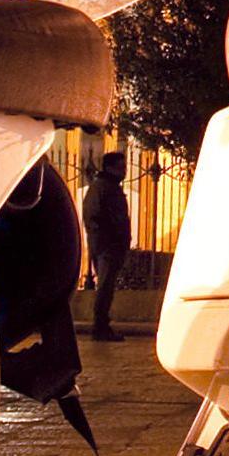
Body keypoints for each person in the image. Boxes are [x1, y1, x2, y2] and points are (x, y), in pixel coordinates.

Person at [79, 141, 136, 341]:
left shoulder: (105, 187)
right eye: (121, 167)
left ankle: (102, 324)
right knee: (105, 286)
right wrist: (110, 239)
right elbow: (95, 217)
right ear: (110, 168)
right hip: (107, 246)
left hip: (107, 244)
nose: (124, 171)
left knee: (106, 286)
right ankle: (101, 326)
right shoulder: (104, 188)